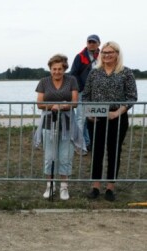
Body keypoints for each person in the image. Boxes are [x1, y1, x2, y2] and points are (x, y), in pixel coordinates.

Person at [83, 41, 137, 202]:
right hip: (96, 118)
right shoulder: (94, 73)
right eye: (104, 52)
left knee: (114, 152)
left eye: (110, 52)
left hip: (117, 117)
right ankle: (95, 186)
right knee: (97, 152)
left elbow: (132, 97)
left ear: (117, 54)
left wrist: (117, 112)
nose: (106, 55)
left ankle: (110, 188)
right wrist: (89, 114)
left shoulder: (126, 73)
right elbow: (85, 96)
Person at [34, 54, 82, 200]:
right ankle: (49, 186)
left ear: (64, 68)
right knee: (49, 157)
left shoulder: (72, 80)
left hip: (67, 123)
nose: (57, 72)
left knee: (65, 156)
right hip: (49, 123)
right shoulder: (43, 81)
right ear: (50, 69)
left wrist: (63, 106)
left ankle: (64, 187)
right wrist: (52, 106)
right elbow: (40, 104)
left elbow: (75, 102)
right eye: (54, 69)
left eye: (60, 69)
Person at [70, 34, 101, 154]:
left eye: (94, 42)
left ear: (99, 43)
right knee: (80, 118)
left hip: (98, 93)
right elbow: (73, 73)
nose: (91, 44)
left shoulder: (103, 56)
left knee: (92, 119)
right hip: (83, 92)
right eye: (89, 42)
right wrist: (81, 87)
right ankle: (79, 145)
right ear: (87, 43)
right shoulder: (80, 57)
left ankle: (88, 143)